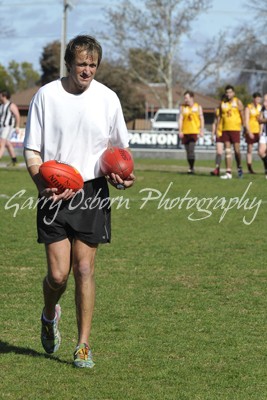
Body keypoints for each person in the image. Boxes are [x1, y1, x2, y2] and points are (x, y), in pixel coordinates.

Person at [23, 35, 135, 368]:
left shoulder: (108, 99)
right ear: (69, 64)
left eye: (92, 65)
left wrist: (125, 176)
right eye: (81, 64)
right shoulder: (47, 95)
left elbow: (120, 152)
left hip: (91, 191)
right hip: (54, 191)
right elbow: (31, 150)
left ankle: (83, 345)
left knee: (84, 268)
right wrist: (42, 184)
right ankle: (48, 314)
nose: (87, 71)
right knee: (58, 276)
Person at [218, 85, 244, 179]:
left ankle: (239, 167)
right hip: (225, 129)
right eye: (227, 92)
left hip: (235, 129)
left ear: (233, 93)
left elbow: (242, 115)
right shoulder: (222, 103)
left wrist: (244, 127)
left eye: (230, 92)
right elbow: (220, 117)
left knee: (237, 151)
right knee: (227, 151)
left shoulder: (237, 101)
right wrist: (218, 129)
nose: (228, 94)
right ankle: (228, 172)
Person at [179, 90, 204, 174]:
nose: (185, 100)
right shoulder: (182, 107)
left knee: (191, 149)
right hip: (185, 131)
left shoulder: (197, 107)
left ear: (191, 97)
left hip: (194, 131)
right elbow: (180, 119)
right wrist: (180, 130)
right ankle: (190, 167)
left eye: (187, 98)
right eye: (185, 98)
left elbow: (201, 119)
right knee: (187, 150)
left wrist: (201, 130)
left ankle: (191, 167)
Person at [0, 90, 20, 166]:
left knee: (1, 144)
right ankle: (14, 161)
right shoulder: (1, 106)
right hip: (1, 127)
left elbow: (17, 115)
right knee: (7, 144)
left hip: (7, 127)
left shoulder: (11, 105)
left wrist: (17, 126)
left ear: (4, 96)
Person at [244, 92, 262, 174]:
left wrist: (261, 131)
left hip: (258, 131)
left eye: (259, 98)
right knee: (250, 149)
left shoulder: (260, 107)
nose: (258, 100)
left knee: (261, 150)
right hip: (251, 130)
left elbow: (261, 120)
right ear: (253, 98)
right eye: (257, 98)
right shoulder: (249, 107)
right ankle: (249, 167)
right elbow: (246, 121)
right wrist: (249, 131)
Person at [210, 95, 225, 176]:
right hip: (219, 133)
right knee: (219, 152)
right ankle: (217, 168)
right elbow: (215, 123)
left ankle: (228, 170)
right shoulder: (217, 110)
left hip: (228, 132)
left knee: (229, 153)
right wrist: (213, 134)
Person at [258, 93, 267, 178]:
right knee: (261, 152)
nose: (265, 102)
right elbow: (259, 120)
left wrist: (263, 120)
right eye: (264, 100)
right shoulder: (263, 109)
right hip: (264, 133)